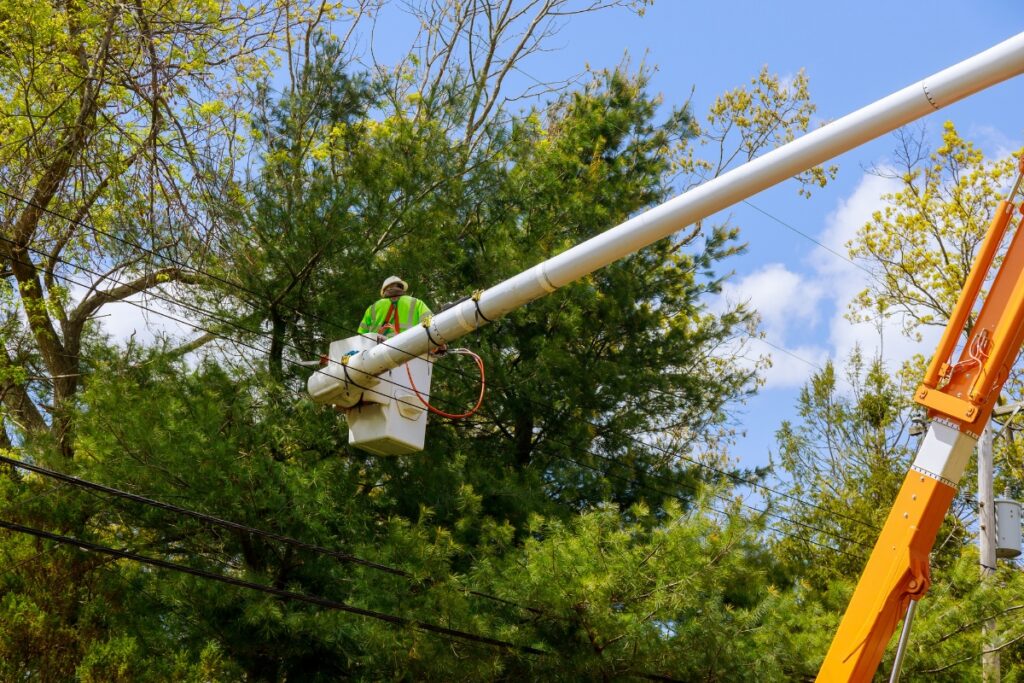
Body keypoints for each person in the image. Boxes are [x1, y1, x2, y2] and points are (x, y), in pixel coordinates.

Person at [357, 276, 433, 339]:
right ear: (401, 288)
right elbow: (431, 324)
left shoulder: (373, 308)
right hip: (411, 349)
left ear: (384, 291)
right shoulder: (416, 303)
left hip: (378, 353)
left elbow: (361, 337)